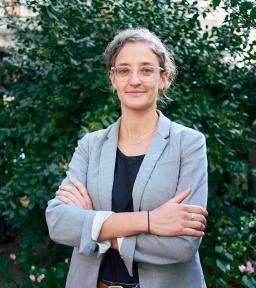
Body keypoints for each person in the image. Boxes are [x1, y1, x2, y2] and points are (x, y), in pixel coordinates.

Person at [46, 28, 208, 288]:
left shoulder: (188, 144)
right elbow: (58, 222)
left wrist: (96, 225)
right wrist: (149, 221)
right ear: (113, 78)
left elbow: (182, 244)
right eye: (124, 70)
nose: (134, 80)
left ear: (163, 77)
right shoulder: (90, 145)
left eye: (146, 70)